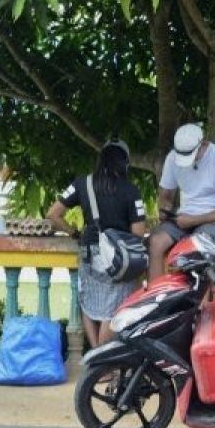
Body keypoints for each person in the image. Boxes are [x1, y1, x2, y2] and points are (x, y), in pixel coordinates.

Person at [47, 140, 147, 347]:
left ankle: (95, 354)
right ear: (125, 163)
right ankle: (101, 361)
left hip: (89, 252)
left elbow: (53, 214)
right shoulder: (131, 190)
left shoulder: (81, 183)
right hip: (118, 259)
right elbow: (138, 233)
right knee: (113, 309)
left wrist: (74, 232)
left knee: (89, 303)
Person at [148, 123, 215, 282]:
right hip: (183, 218)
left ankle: (197, 306)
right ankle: (157, 298)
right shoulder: (172, 158)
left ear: (203, 143)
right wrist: (165, 207)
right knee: (155, 242)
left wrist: (194, 220)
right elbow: (164, 194)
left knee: (197, 249)